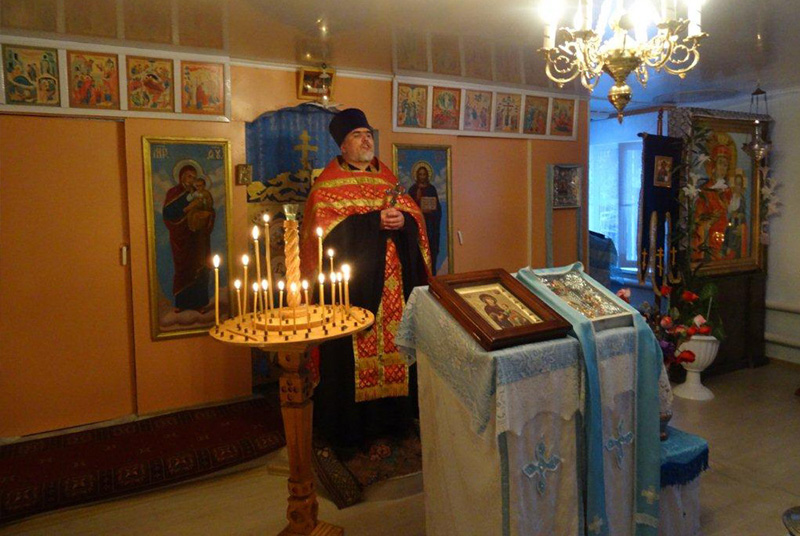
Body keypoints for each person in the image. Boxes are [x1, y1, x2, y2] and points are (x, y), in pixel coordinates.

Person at [300, 108, 432, 453]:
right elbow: (323, 238)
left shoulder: (388, 180)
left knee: (398, 349)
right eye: (357, 136)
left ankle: (396, 422)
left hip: (393, 287)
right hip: (351, 289)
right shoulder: (326, 187)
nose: (366, 140)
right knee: (351, 353)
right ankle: (353, 430)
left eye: (368, 134)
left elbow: (415, 222)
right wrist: (374, 222)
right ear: (343, 145)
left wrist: (404, 222)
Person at [163, 163, 215, 313]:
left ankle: (200, 303)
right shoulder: (174, 193)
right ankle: (182, 303)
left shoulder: (200, 192)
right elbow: (168, 214)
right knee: (184, 270)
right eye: (189, 176)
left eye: (194, 177)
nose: (191, 180)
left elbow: (209, 208)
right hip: (181, 239)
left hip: (198, 238)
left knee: (200, 266)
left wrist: (208, 215)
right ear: (181, 177)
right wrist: (187, 208)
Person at [407, 162, 442, 270]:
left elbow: (438, 210)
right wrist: (418, 203)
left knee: (431, 252)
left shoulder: (431, 189)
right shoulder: (413, 190)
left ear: (427, 175)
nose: (422, 176)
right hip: (418, 226)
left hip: (430, 227)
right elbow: (408, 208)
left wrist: (431, 211)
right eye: (420, 174)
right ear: (417, 175)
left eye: (424, 174)